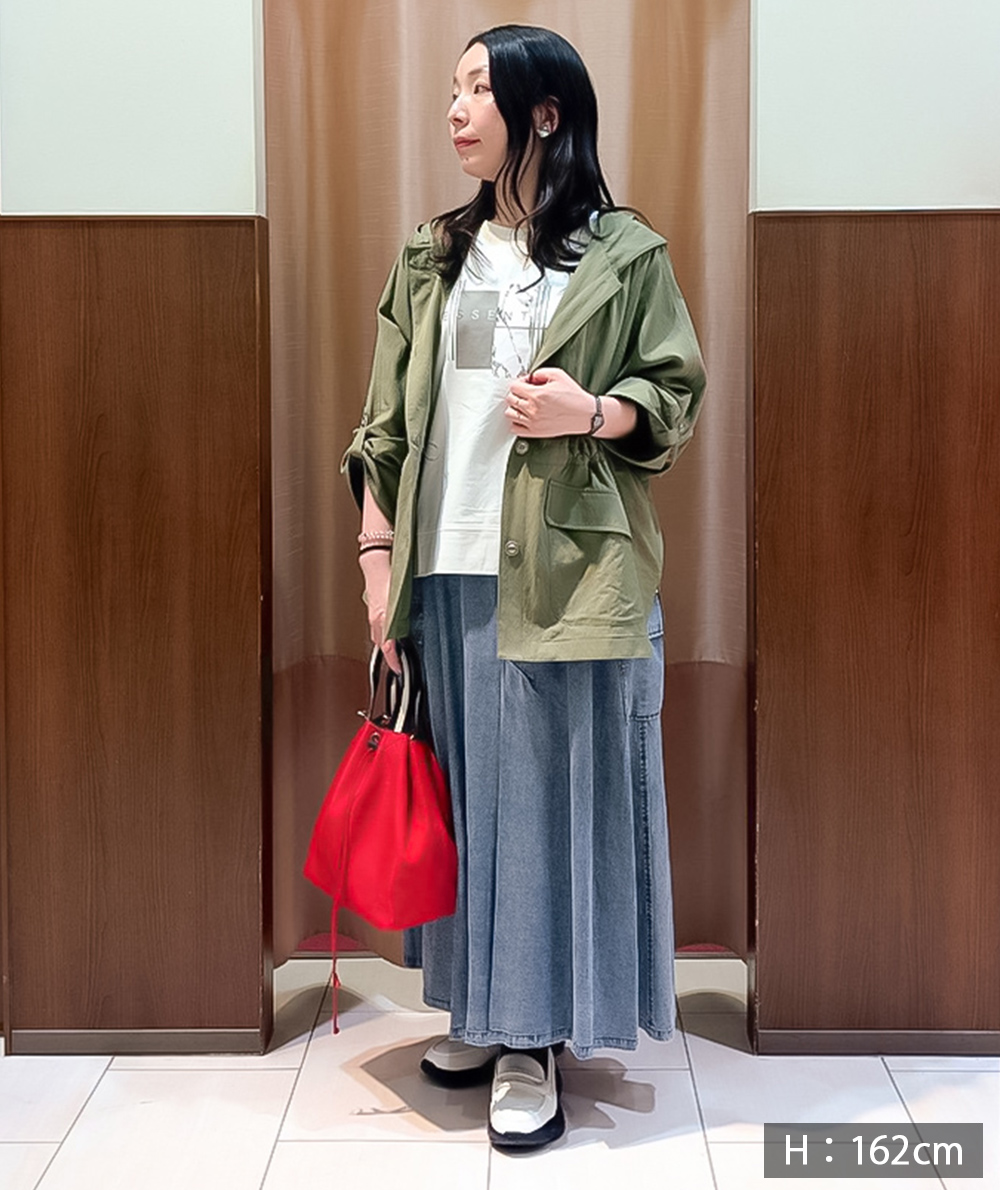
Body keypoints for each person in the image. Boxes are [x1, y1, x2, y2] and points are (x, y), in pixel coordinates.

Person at [342, 24, 706, 1151]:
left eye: (477, 90)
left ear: (544, 113)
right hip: (445, 568)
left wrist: (587, 410)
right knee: (468, 804)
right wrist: (376, 561)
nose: (454, 111)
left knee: (544, 807)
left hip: (569, 571)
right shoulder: (432, 255)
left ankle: (531, 1042)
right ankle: (487, 1012)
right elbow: (384, 425)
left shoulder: (622, 254)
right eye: (450, 89)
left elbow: (673, 395)